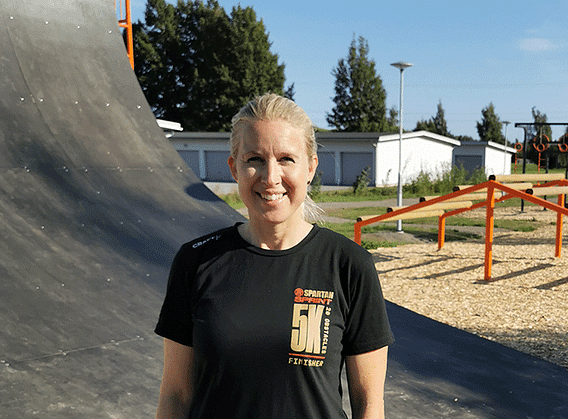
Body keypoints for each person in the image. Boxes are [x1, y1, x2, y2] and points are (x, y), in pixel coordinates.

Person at [154, 93, 394, 418]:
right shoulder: (196, 262)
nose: (270, 177)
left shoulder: (349, 266)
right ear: (234, 168)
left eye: (286, 159)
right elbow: (175, 397)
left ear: (310, 168)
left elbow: (369, 404)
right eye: (254, 158)